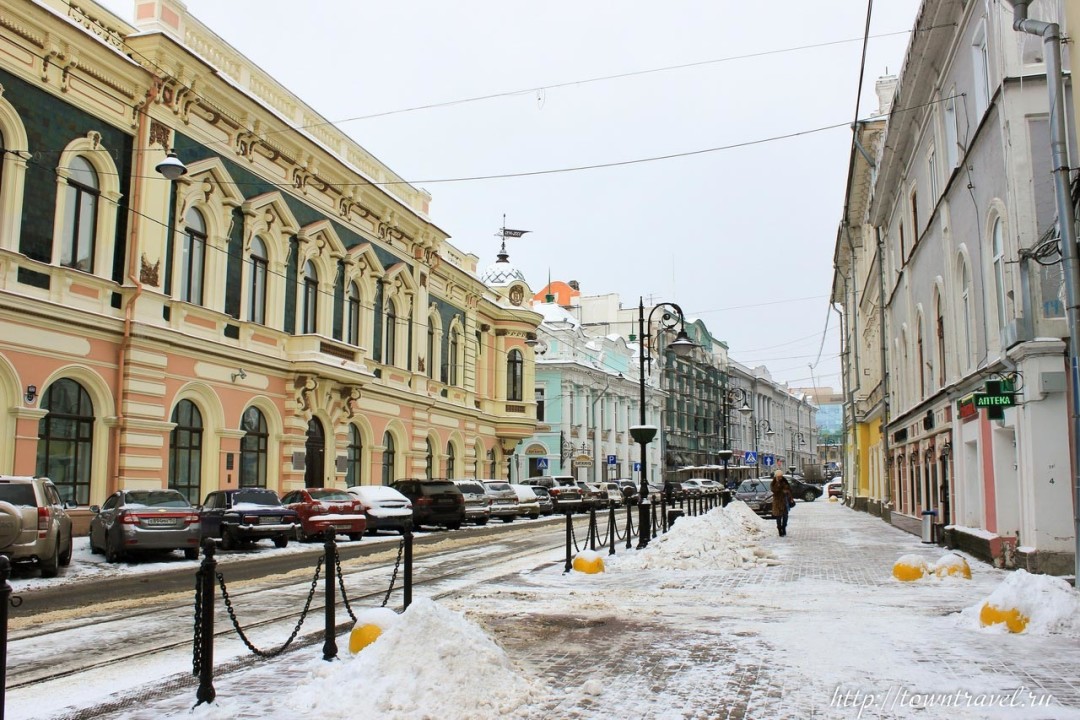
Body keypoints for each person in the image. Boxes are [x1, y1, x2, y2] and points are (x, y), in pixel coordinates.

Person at [771, 470, 793, 537]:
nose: (780, 477)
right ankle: (779, 529)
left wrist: (787, 493)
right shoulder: (774, 482)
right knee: (778, 517)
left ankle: (784, 527)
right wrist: (778, 483)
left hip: (784, 502)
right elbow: (774, 490)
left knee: (785, 517)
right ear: (776, 476)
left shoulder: (784, 481)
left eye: (780, 476)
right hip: (777, 502)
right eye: (778, 476)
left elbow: (789, 489)